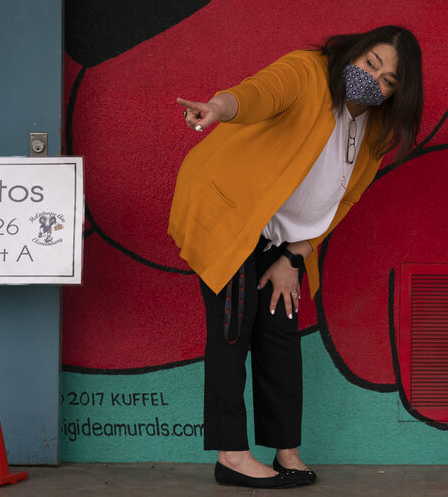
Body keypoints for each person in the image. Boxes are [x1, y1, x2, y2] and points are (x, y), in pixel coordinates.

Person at [168, 26, 424, 489]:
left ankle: (285, 449)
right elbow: (256, 95)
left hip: (285, 239)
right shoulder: (307, 72)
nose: (375, 80)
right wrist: (216, 108)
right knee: (232, 331)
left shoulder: (374, 130)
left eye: (388, 80)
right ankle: (232, 455)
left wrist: (295, 256)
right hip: (233, 214)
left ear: (396, 95)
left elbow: (344, 200)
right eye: (371, 64)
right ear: (352, 53)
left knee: (281, 337)